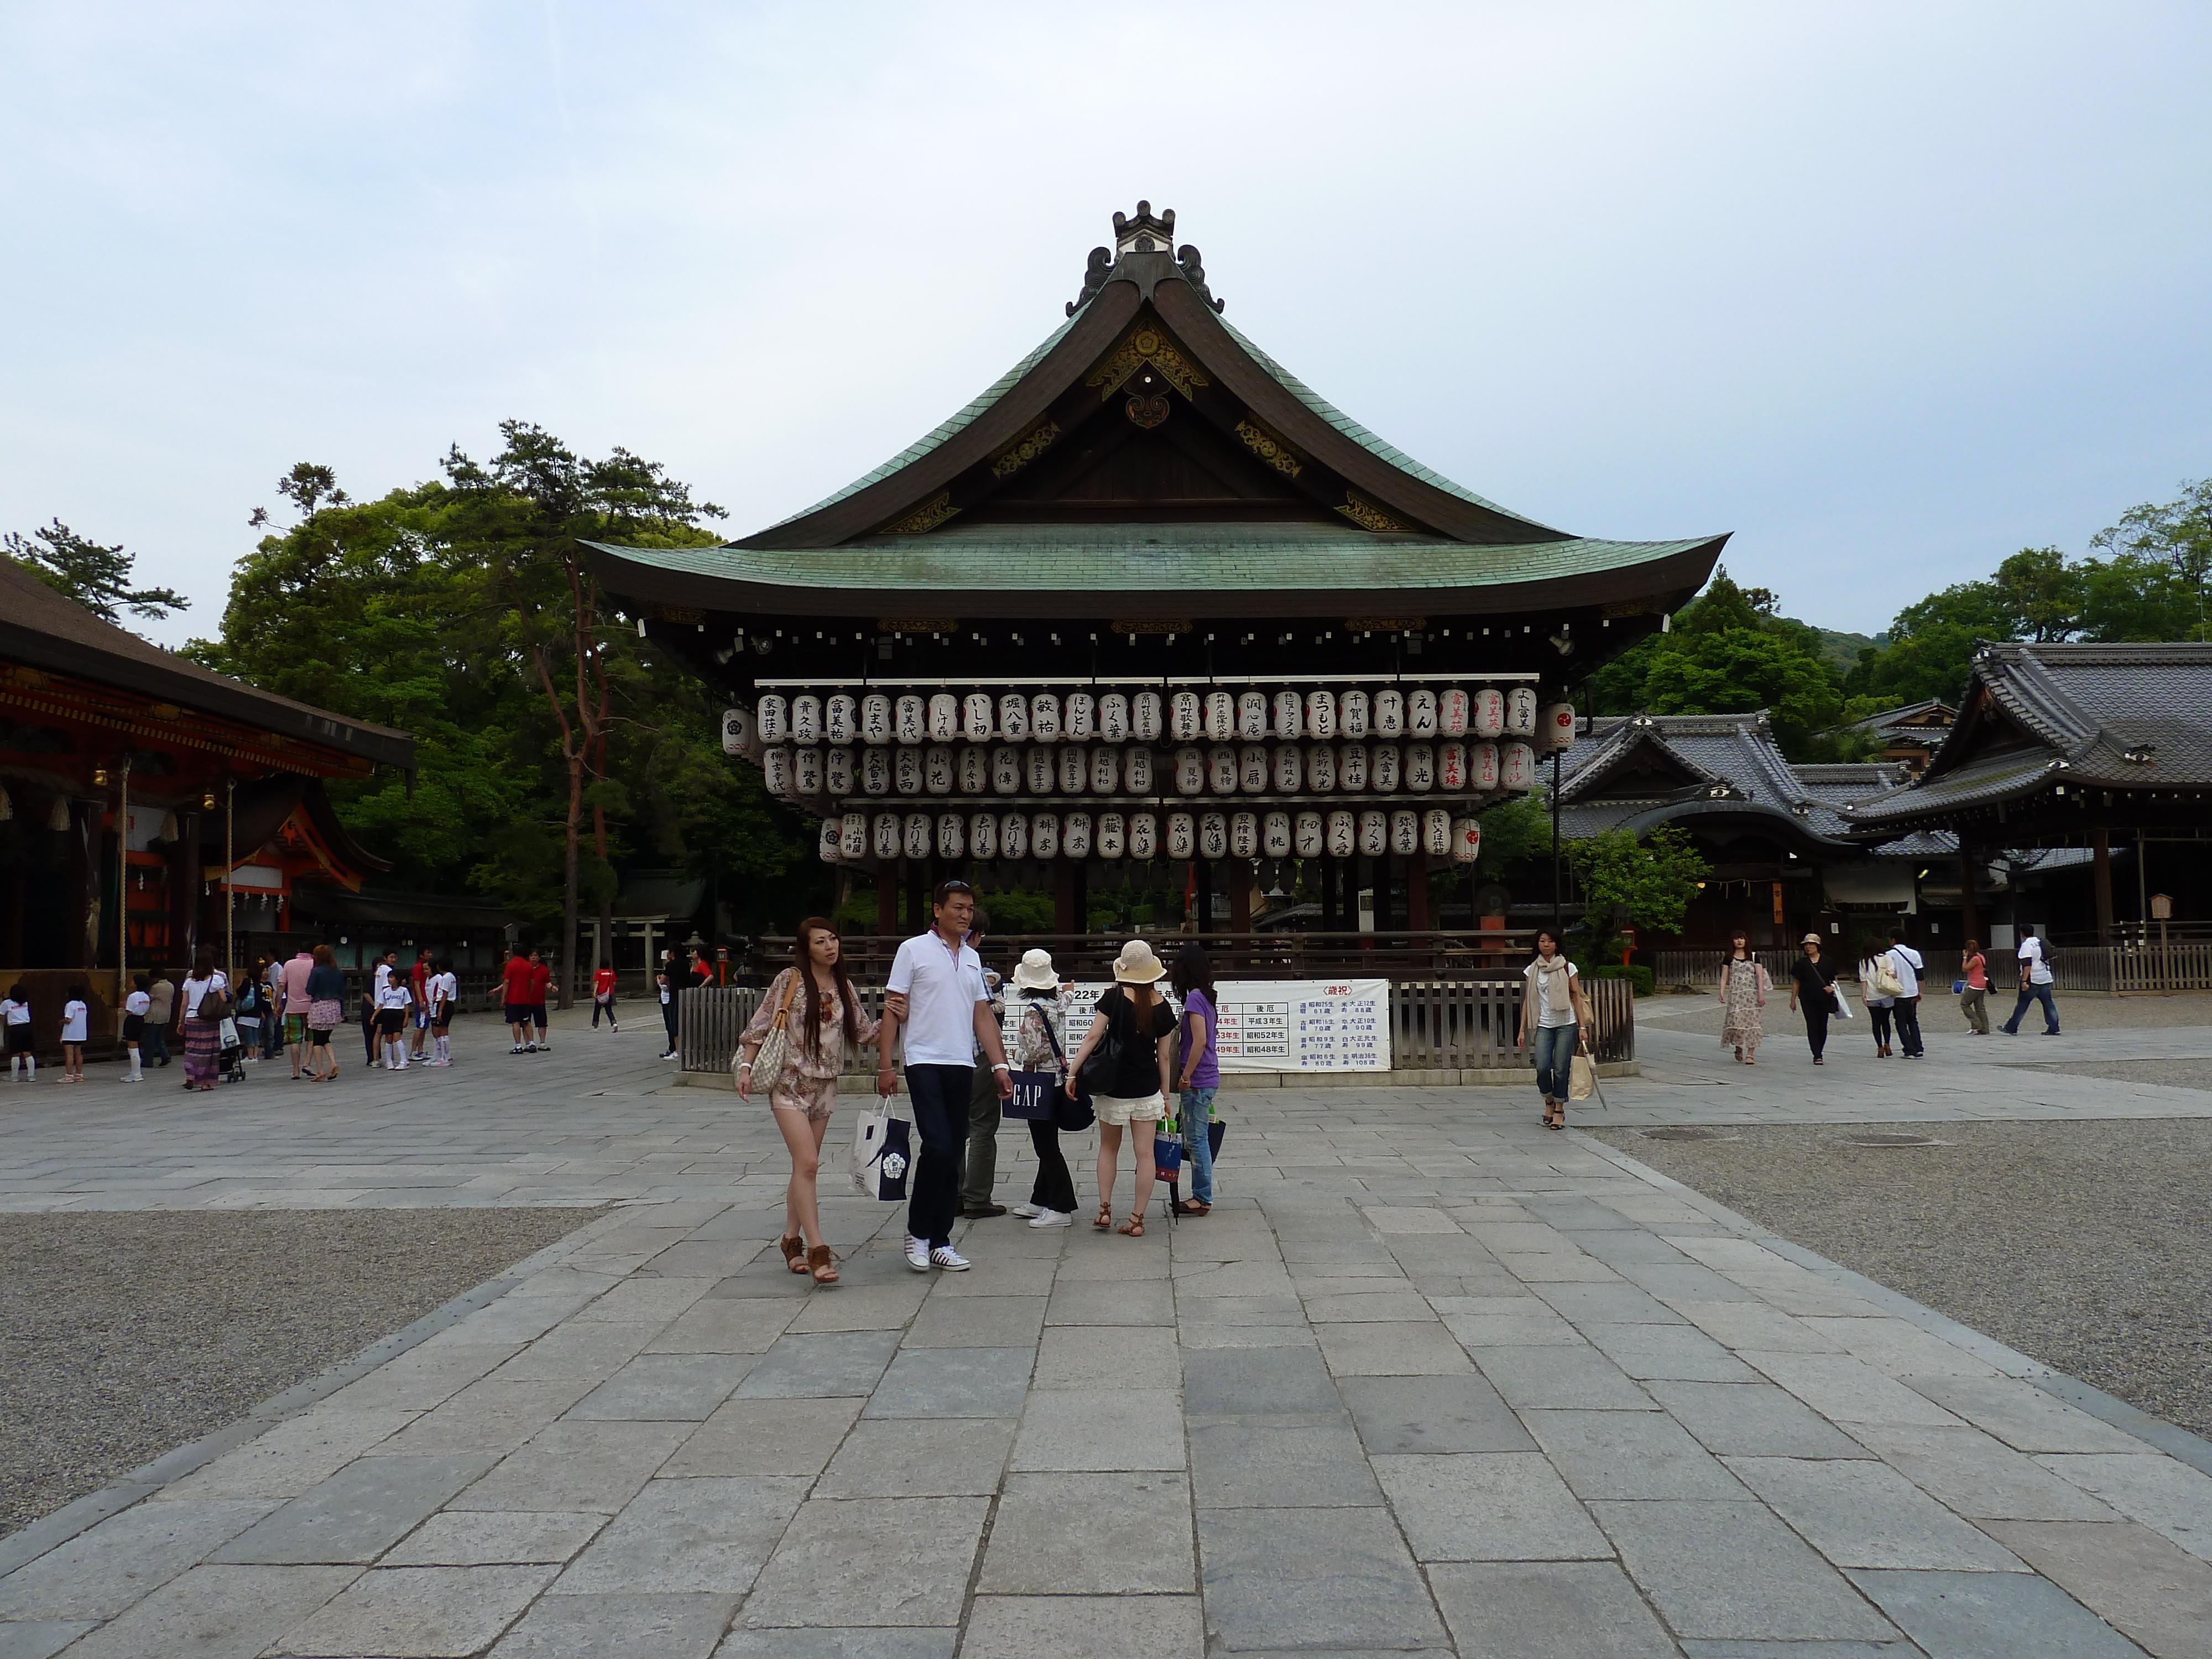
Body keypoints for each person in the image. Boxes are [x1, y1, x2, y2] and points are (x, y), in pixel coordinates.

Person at [878, 879, 1015, 1272]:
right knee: (937, 1145)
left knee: (954, 1150)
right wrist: (886, 1065)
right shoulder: (913, 950)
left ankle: (940, 1239)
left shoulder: (971, 958)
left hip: (962, 1061)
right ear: (938, 910)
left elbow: (982, 1015)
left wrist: (1001, 1065)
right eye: (957, 907)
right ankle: (918, 1232)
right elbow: (893, 1006)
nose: (964, 915)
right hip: (923, 1059)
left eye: (969, 909)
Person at [738, 917, 881, 1285]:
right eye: (821, 942)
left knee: (805, 1169)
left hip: (825, 1086)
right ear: (807, 948)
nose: (830, 946)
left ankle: (790, 1241)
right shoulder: (790, 980)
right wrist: (745, 1067)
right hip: (788, 1083)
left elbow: (866, 1033)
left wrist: (902, 1014)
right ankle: (818, 1251)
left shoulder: (844, 987)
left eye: (833, 939)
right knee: (809, 1162)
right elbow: (761, 1025)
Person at [1065, 939, 1178, 1236]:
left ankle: (1104, 1210)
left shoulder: (1113, 999)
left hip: (1113, 1087)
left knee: (1108, 1148)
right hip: (1147, 1088)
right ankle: (1138, 1219)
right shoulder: (1163, 1008)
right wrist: (1166, 1096)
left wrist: (1072, 1074)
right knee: (1145, 1155)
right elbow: (1164, 1057)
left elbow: (1092, 1038)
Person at [1006, 948, 1078, 1230]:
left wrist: (1016, 1054)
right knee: (1048, 1143)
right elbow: (1067, 998)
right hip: (1059, 1080)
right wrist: (1067, 988)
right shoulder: (1058, 1003)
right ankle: (1040, 1198)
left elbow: (1034, 1052)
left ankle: (1061, 1205)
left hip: (1040, 1086)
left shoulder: (1032, 1012)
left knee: (1046, 1147)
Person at [958, 906, 1010, 1221]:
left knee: (954, 1126)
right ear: (976, 936)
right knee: (982, 1125)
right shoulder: (972, 963)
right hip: (977, 1054)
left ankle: (952, 1193)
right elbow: (986, 1015)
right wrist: (999, 1063)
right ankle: (976, 1196)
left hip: (947, 1056)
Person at [1519, 927, 1591, 1129]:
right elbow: (1528, 1000)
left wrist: (1582, 1027)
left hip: (1566, 1023)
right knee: (1542, 1066)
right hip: (1544, 1023)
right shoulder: (1532, 970)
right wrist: (1522, 1030)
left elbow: (1576, 996)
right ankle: (1548, 1101)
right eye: (1543, 941)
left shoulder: (1568, 967)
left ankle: (1559, 1109)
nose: (1547, 945)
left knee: (1560, 1068)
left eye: (1550, 941)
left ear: (1556, 944)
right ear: (1538, 944)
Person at [1171, 942, 1220, 1215]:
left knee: (1197, 1139)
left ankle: (1202, 1197)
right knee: (1197, 1137)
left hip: (1198, 1078)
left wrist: (1186, 1076)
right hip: (1208, 1075)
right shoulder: (1206, 996)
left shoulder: (1194, 999)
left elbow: (1199, 1040)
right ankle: (1201, 1194)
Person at [1717, 931, 1771, 1066]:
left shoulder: (1754, 957)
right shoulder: (1729, 958)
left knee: (1752, 1023)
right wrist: (1722, 992)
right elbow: (1724, 977)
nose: (1739, 941)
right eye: (1736, 939)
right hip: (1736, 995)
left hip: (1751, 995)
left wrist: (1761, 995)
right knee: (1736, 1022)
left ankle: (1751, 1054)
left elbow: (1759, 976)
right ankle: (1739, 1046)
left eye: (1741, 938)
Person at [180, 947, 229, 1092]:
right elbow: (224, 999)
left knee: (192, 1048)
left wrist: (180, 1022)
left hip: (191, 1018)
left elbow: (184, 1004)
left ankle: (190, 1076)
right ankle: (205, 1083)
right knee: (208, 1051)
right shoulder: (217, 980)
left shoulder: (189, 981)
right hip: (209, 1019)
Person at [1787, 932, 1838, 1064]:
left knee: (1822, 1025)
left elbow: (1834, 979)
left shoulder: (1827, 961)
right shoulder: (1801, 963)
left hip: (1824, 997)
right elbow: (1797, 982)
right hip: (1807, 997)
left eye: (1811, 944)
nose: (1808, 947)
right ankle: (1817, 1054)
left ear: (1817, 946)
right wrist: (1793, 1000)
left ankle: (1820, 1048)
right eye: (1806, 945)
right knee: (1812, 1025)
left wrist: (1832, 988)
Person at [2002, 929, 2062, 1035]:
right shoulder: (2040, 941)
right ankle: (2054, 1027)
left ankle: (2012, 1027)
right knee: (2048, 1004)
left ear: (2022, 934)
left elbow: (2027, 964)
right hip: (2045, 976)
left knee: (2022, 1004)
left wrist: (2024, 981)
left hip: (2033, 978)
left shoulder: (2026, 946)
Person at [305, 945, 347, 1081]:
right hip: (334, 1005)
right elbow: (342, 992)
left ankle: (320, 1071)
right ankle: (333, 1063)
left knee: (317, 1040)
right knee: (326, 1038)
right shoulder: (338, 971)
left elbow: (310, 990)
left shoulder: (317, 971)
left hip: (320, 1005)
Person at [1885, 927, 1926, 1058]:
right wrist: (1920, 991)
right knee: (1913, 1021)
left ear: (1893, 940)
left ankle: (1909, 1050)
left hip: (1898, 993)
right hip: (1913, 992)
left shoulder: (1889, 955)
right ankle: (1918, 1048)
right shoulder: (1914, 954)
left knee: (1901, 1022)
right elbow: (1920, 975)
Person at [1858, 938, 1897, 1057]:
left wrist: (1864, 996)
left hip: (1872, 994)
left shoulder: (1864, 961)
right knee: (1886, 1021)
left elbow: (1863, 980)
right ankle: (1887, 1043)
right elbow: (1893, 975)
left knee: (1876, 1022)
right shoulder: (1887, 958)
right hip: (1886, 993)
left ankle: (1879, 1047)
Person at [280, 948, 315, 1078]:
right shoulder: (314, 964)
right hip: (310, 1007)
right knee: (312, 1037)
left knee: (295, 1040)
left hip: (293, 1007)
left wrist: (278, 1002)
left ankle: (295, 1071)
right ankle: (307, 1063)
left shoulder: (289, 964)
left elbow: (281, 984)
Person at [375, 969, 414, 1070]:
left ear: (398, 979)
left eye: (392, 977)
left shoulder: (403, 991)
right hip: (387, 1013)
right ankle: (389, 1061)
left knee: (397, 1037)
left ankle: (404, 1060)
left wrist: (406, 1018)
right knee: (388, 1038)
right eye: (389, 977)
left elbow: (406, 1005)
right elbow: (381, 1005)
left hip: (398, 1013)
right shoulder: (385, 991)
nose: (389, 980)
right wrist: (374, 1016)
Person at [501, 947, 536, 1053]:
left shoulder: (510, 965)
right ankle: (532, 1043)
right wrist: (528, 994)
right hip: (525, 999)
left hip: (513, 999)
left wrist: (503, 998)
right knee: (527, 1021)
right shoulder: (529, 966)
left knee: (515, 1022)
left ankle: (518, 1046)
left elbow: (506, 982)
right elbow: (532, 983)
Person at [427, 958, 457, 1065]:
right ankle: (445, 1056)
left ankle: (444, 1058)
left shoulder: (445, 977)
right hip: (449, 1003)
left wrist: (440, 1011)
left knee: (443, 1030)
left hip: (445, 1004)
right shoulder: (452, 976)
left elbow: (445, 994)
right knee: (444, 1030)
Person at [121, 974, 150, 1081]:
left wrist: (125, 1006)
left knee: (132, 1047)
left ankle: (136, 1073)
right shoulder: (146, 996)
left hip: (132, 1020)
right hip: (141, 1019)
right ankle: (135, 1072)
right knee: (135, 1045)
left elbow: (129, 1011)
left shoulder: (133, 996)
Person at [233, 965, 264, 1063]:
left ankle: (250, 1057)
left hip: (246, 1013)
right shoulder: (259, 984)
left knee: (248, 1036)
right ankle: (255, 1056)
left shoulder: (247, 982)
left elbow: (241, 993)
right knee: (255, 1035)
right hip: (257, 1013)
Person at [3, 984, 34, 1082]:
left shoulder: (7, 1003)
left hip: (15, 1029)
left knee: (15, 1053)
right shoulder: (25, 1003)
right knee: (27, 1053)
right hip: (27, 1027)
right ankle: (31, 1076)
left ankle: (15, 1076)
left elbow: (1, 1014)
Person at [144, 971, 174, 1068]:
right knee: (159, 1037)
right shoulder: (171, 986)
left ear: (156, 977)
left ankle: (148, 1061)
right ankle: (165, 1055)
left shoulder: (156, 987)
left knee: (150, 1039)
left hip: (155, 1014)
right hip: (166, 1014)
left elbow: (150, 998)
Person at [1960, 940, 1990, 1035]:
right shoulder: (1981, 957)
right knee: (1980, 1007)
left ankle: (1976, 1023)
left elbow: (1965, 968)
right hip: (1982, 983)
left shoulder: (1975, 959)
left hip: (1975, 985)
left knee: (1965, 1003)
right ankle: (1985, 1028)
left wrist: (1965, 957)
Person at [60, 985, 90, 1083]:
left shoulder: (70, 1004)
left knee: (69, 1054)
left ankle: (69, 1075)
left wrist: (61, 1022)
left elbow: (69, 1019)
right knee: (78, 1053)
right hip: (81, 1033)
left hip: (70, 1033)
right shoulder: (83, 1005)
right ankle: (79, 1074)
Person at [408, 950, 434, 1061]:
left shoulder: (425, 966)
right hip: (422, 999)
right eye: (428, 953)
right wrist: (421, 1000)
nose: (430, 955)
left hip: (427, 998)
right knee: (420, 1026)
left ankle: (420, 1050)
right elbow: (417, 985)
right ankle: (413, 1051)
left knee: (424, 1027)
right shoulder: (418, 967)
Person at [529, 948, 552, 1051]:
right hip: (527, 1000)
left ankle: (542, 1043)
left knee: (542, 1023)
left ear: (539, 958)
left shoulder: (544, 970)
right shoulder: (526, 969)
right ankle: (529, 1043)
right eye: (531, 956)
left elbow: (547, 982)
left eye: (535, 956)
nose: (533, 958)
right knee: (526, 1023)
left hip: (540, 1000)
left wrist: (552, 987)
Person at [656, 968, 680, 1059]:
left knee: (671, 1026)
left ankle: (674, 1048)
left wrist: (659, 981)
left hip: (668, 1000)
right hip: (665, 1000)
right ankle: (672, 1048)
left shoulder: (671, 976)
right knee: (669, 1026)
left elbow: (664, 987)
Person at [592, 959, 620, 1031]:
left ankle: (595, 1025)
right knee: (609, 1010)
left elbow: (597, 983)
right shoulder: (611, 972)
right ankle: (614, 1023)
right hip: (609, 993)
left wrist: (595, 992)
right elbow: (614, 983)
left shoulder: (599, 973)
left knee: (597, 1010)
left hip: (601, 993)